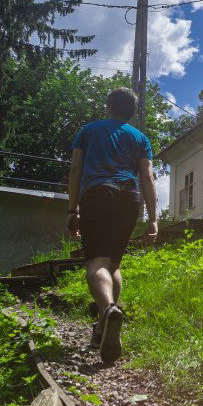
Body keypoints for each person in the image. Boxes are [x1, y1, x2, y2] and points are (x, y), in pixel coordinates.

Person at [66, 87, 158, 364]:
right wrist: (153, 218)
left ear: (109, 107)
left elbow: (75, 170)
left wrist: (73, 209)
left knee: (97, 262)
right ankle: (106, 321)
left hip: (97, 193)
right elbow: (148, 177)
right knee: (114, 264)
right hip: (129, 198)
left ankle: (107, 310)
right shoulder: (140, 137)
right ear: (131, 112)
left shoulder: (88, 131)